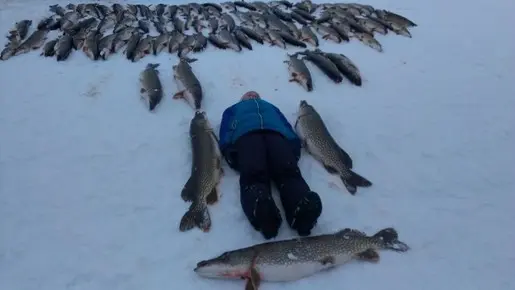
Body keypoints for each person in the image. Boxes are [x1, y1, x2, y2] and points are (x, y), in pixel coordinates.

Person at [219, 91, 322, 239]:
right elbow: (225, 129)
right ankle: (262, 211)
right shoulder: (233, 109)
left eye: (255, 95)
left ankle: (301, 208)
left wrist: (293, 143)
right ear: (242, 99)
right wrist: (227, 147)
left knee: (288, 171)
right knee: (253, 173)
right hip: (246, 136)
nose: (252, 95)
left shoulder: (271, 107)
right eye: (248, 95)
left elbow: (285, 125)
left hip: (277, 135)